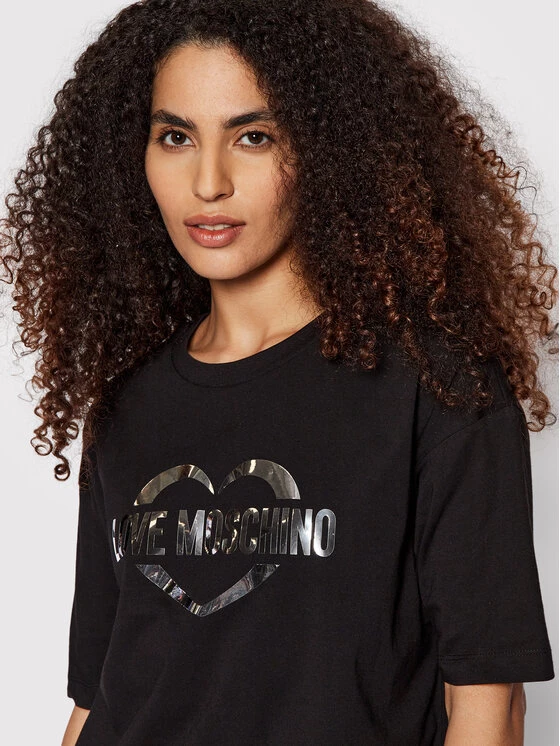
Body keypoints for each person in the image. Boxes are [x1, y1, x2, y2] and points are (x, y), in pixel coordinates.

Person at [0, 0, 556, 744]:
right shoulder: (127, 405)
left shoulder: (436, 384)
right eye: (175, 137)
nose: (208, 182)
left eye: (254, 137)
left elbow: (488, 701)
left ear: (330, 148)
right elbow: (98, 701)